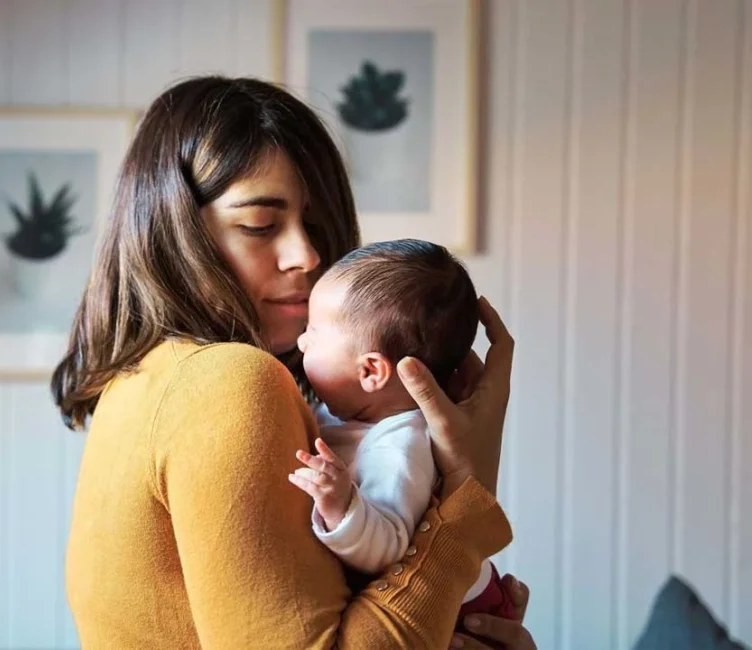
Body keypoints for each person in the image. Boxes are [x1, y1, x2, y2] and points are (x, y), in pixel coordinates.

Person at [52, 75, 536, 649]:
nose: (306, 254)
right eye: (260, 225)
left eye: (317, 225)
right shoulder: (227, 381)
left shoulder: (142, 381)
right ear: (175, 233)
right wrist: (466, 496)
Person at [290, 239, 517, 647]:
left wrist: (342, 506)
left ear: (371, 372)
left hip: (461, 617)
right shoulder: (347, 414)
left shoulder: (399, 447)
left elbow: (388, 546)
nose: (301, 342)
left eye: (313, 333)